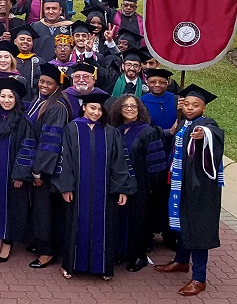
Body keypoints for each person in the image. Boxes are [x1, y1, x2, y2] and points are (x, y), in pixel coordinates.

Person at [54, 92, 135, 280]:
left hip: (105, 192)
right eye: (92, 108)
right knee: (75, 226)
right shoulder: (72, 129)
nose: (96, 112)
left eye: (100, 109)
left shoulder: (110, 132)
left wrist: (122, 189)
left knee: (105, 226)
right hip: (78, 191)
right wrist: (66, 186)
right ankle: (70, 265)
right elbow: (63, 159)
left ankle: (104, 267)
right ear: (84, 107)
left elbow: (119, 163)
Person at [154, 85, 225, 297]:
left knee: (198, 229)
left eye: (195, 105)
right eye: (186, 104)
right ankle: (182, 261)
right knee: (183, 222)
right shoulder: (184, 123)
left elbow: (214, 133)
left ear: (204, 109)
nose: (190, 108)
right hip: (181, 183)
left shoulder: (206, 124)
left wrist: (204, 134)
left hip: (201, 188)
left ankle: (199, 278)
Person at [17, 63, 72, 269]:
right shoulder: (40, 101)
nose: (44, 85)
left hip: (48, 169)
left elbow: (51, 142)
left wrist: (39, 171)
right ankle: (40, 242)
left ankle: (47, 251)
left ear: (57, 86)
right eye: (42, 82)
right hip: (38, 164)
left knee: (45, 209)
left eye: (49, 83)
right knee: (39, 208)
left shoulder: (56, 107)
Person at [110, 94, 166, 272]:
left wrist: (150, 186)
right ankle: (122, 251)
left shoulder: (148, 131)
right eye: (125, 106)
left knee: (138, 220)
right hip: (120, 184)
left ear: (139, 109)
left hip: (140, 184)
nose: (129, 108)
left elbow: (156, 162)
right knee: (120, 218)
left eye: (133, 106)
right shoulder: (117, 130)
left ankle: (138, 256)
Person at [0, 77, 34, 263]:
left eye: (10, 97)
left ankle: (8, 243)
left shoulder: (22, 122)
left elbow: (27, 149)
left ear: (17, 99)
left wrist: (19, 174)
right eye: (3, 96)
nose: (6, 100)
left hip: (11, 174)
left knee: (9, 207)